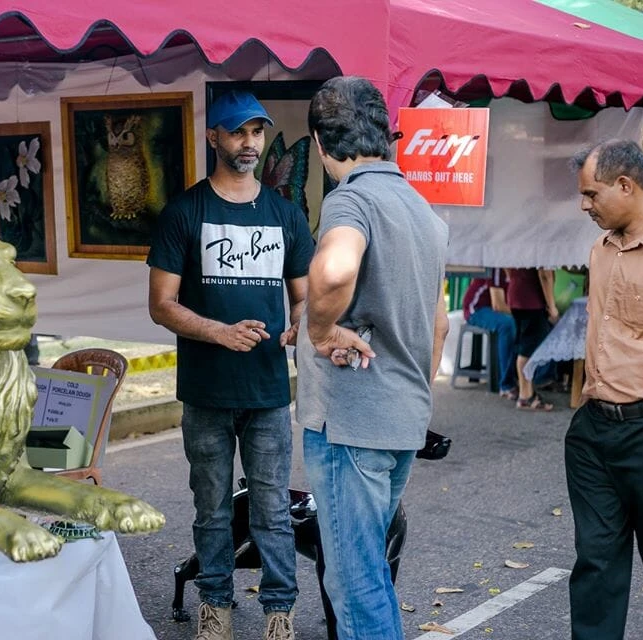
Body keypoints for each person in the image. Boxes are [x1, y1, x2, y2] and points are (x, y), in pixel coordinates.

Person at [147, 90, 314, 640]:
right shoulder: (184, 212)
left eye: (257, 132)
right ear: (213, 136)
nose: (250, 143)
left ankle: (278, 613)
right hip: (206, 391)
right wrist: (219, 332)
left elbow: (304, 297)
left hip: (267, 392)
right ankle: (214, 606)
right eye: (238, 132)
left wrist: (299, 323)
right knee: (212, 509)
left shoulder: (285, 214)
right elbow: (161, 304)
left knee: (272, 510)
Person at [296, 76, 449, 640]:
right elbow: (437, 324)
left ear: (320, 142)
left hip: (352, 425)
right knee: (371, 573)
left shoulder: (351, 199)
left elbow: (335, 270)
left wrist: (319, 331)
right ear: (385, 134)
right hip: (402, 418)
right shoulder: (422, 210)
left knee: (355, 583)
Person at [566, 139, 643, 640]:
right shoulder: (600, 249)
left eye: (592, 194)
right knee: (596, 565)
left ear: (625, 185)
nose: (584, 205)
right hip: (594, 431)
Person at [505, 267, 558, 410]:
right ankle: (525, 396)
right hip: (533, 299)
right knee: (527, 349)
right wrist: (552, 306)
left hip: (515, 295)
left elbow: (505, 265)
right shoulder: (541, 250)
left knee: (524, 346)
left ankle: (527, 391)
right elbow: (545, 274)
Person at [461, 269, 518, 398]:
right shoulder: (496, 267)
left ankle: (536, 380)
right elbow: (498, 305)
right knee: (508, 324)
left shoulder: (518, 269)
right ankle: (506, 385)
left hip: (495, 310)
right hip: (476, 309)